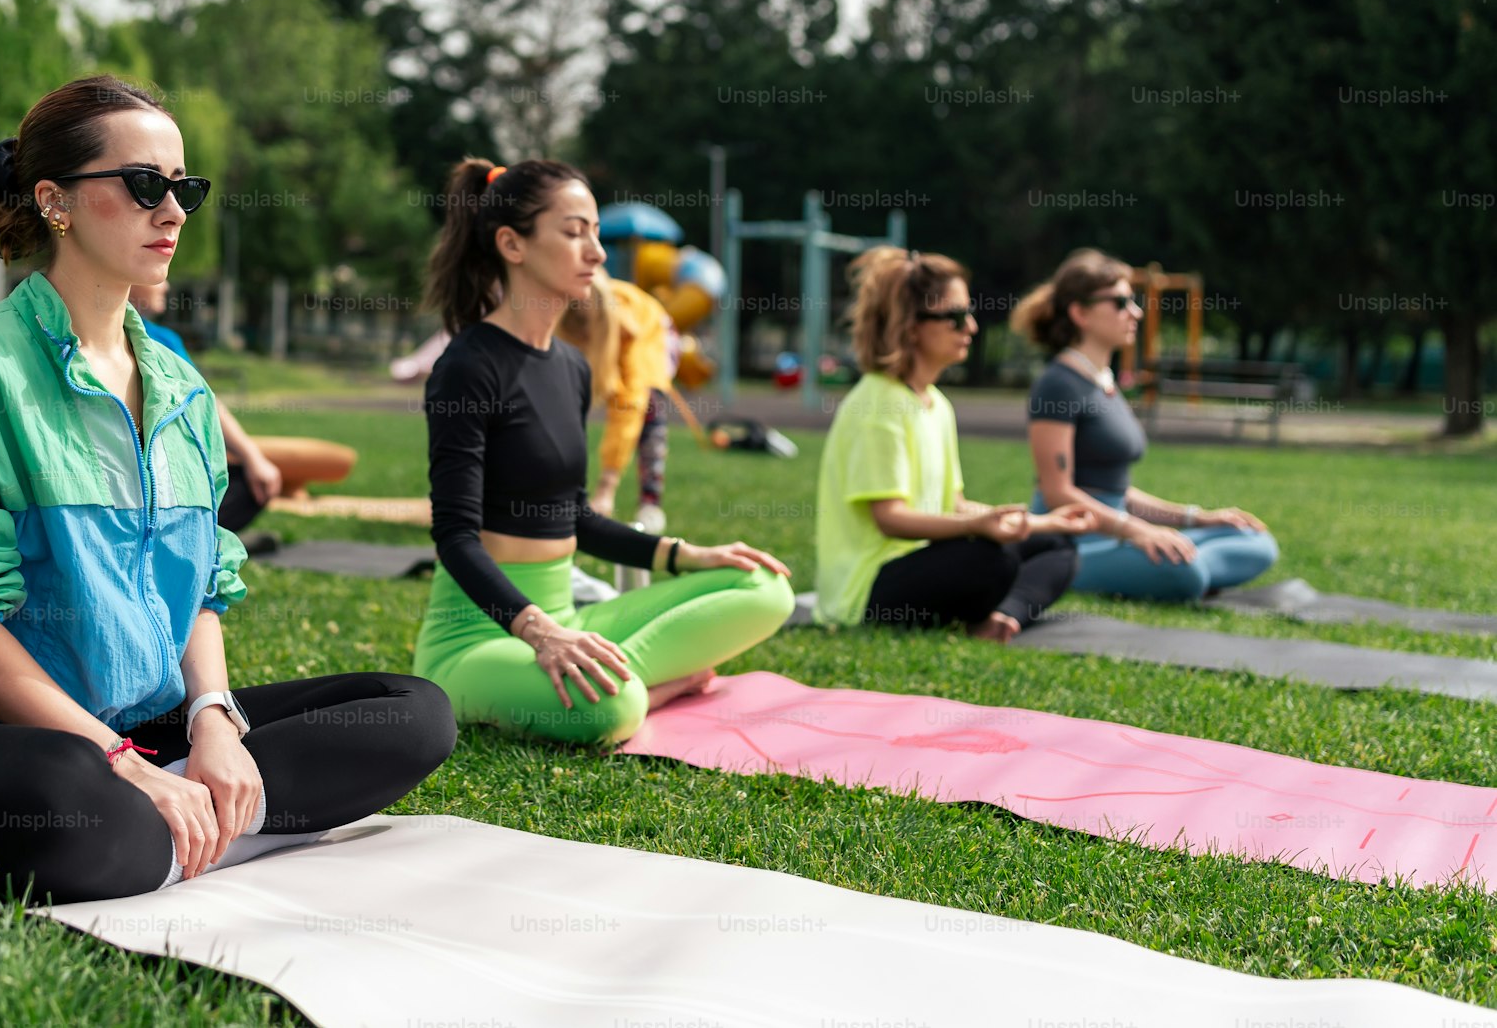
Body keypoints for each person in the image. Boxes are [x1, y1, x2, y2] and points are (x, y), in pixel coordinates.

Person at [0, 75, 454, 904]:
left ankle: (185, 810)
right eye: (144, 185)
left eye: (183, 188)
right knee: (61, 804)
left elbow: (202, 587)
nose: (174, 212)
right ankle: (196, 818)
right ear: (55, 201)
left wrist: (215, 722)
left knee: (411, 712)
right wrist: (118, 763)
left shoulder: (179, 387)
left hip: (147, 731)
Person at [414, 157, 796, 745]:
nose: (596, 251)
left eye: (595, 231)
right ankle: (640, 687)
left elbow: (575, 517)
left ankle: (617, 673)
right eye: (573, 232)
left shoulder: (571, 366)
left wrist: (689, 555)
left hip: (568, 616)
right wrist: (539, 634)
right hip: (476, 639)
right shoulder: (467, 367)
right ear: (512, 245)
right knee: (610, 707)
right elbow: (455, 538)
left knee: (764, 588)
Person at [815, 247, 1097, 642]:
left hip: (925, 562)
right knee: (986, 559)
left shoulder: (937, 405)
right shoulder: (877, 403)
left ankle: (1003, 618)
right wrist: (975, 526)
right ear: (912, 325)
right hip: (867, 591)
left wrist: (1041, 522)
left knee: (1055, 545)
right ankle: (992, 612)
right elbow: (890, 518)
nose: (972, 327)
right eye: (957, 317)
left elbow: (955, 503)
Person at [1012, 249, 1279, 601]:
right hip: (1073, 541)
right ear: (1080, 313)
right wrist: (1137, 532)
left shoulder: (1104, 382)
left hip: (1116, 530)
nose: (1135, 312)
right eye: (1121, 302)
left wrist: (1198, 518)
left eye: (1133, 301)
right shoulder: (1058, 384)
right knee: (1184, 571)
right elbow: (1057, 493)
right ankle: (1168, 566)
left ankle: (1177, 561)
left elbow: (1118, 493)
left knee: (1256, 541)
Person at [556, 272, 679, 603]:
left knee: (649, 413)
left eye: (585, 329)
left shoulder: (629, 334)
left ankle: (650, 502)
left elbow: (628, 408)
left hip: (656, 334)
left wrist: (607, 486)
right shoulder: (566, 314)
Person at [131, 280, 283, 538]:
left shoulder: (164, 339)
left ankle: (208, 539)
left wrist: (252, 457)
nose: (166, 286)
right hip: (136, 471)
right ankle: (208, 540)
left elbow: (204, 402)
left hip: (169, 470)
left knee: (247, 486)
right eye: (158, 278)